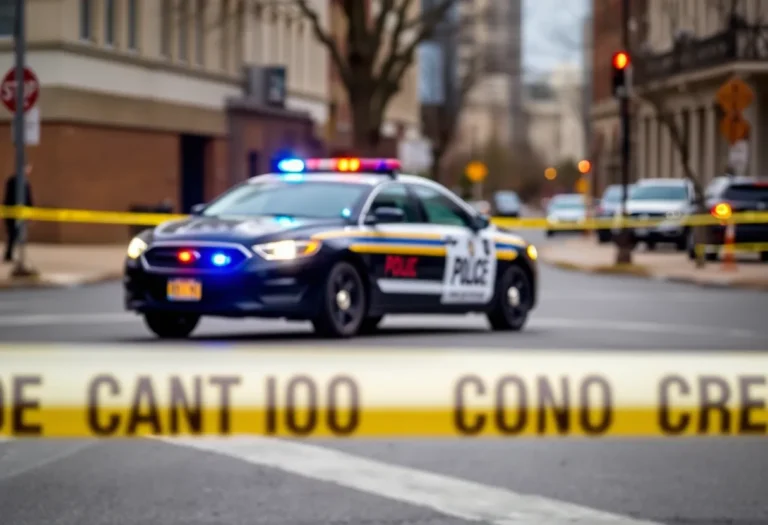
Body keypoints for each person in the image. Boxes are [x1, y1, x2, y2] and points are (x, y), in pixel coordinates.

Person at [3, 164, 33, 263]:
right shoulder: (12, 181)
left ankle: (13, 254)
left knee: (18, 234)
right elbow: (8, 198)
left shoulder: (26, 183)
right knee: (13, 233)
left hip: (21, 213)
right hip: (12, 212)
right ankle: (9, 254)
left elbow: (29, 200)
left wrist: (30, 213)